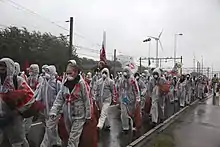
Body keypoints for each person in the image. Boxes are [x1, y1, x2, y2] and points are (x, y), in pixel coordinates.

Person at [49, 60, 91, 147]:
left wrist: (88, 115)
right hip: (68, 115)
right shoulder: (65, 84)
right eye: (67, 73)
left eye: (70, 73)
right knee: (69, 136)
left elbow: (86, 100)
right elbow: (60, 98)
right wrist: (54, 111)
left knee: (73, 139)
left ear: (76, 72)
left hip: (79, 116)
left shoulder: (81, 84)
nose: (68, 75)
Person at [0, 58, 34, 147]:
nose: (1, 68)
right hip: (1, 117)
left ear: (10, 67)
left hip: (14, 117)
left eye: (4, 66)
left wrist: (19, 110)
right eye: (0, 65)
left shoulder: (18, 80)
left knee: (18, 141)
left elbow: (30, 96)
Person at [38, 65, 62, 147]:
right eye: (46, 71)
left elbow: (61, 96)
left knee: (49, 127)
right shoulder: (43, 83)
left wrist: (60, 109)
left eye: (48, 71)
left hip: (54, 110)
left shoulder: (57, 83)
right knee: (51, 127)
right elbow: (40, 95)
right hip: (46, 109)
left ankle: (44, 145)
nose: (47, 73)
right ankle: (56, 142)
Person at [118, 66, 141, 133]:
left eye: (126, 72)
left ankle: (133, 124)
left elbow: (136, 90)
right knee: (124, 113)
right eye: (124, 72)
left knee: (132, 113)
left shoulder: (133, 80)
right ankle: (125, 128)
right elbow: (119, 89)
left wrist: (137, 99)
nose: (125, 73)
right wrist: (120, 97)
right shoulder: (121, 80)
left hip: (132, 99)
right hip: (124, 98)